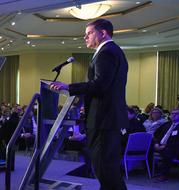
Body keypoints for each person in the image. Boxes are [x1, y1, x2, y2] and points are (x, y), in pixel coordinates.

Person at [50, 19, 128, 190]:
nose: (85, 37)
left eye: (89, 33)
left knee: (105, 170)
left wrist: (69, 87)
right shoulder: (113, 51)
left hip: (103, 121)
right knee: (106, 169)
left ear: (103, 33)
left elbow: (100, 85)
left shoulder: (106, 52)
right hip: (108, 119)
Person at [153, 108, 179, 182]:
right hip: (161, 146)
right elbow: (157, 135)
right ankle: (154, 170)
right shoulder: (167, 124)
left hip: (176, 149)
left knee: (167, 152)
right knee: (147, 147)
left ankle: (164, 175)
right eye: (172, 113)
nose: (173, 115)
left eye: (176, 114)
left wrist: (164, 146)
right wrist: (156, 144)